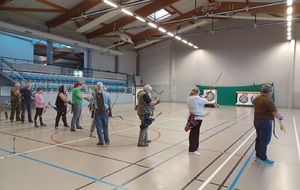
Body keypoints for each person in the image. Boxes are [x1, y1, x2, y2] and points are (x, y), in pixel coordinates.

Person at [253, 84, 284, 166]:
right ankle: (263, 159)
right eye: (272, 91)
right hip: (265, 123)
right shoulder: (269, 101)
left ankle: (258, 156)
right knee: (264, 141)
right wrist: (281, 117)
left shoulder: (257, 99)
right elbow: (276, 114)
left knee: (259, 139)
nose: (272, 92)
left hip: (256, 121)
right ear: (269, 91)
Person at [186, 88, 208, 156]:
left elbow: (199, 99)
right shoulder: (196, 98)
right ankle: (192, 150)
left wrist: (202, 96)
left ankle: (196, 146)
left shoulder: (191, 98)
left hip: (195, 117)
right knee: (194, 133)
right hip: (196, 118)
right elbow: (205, 101)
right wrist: (204, 97)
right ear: (197, 92)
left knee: (196, 132)